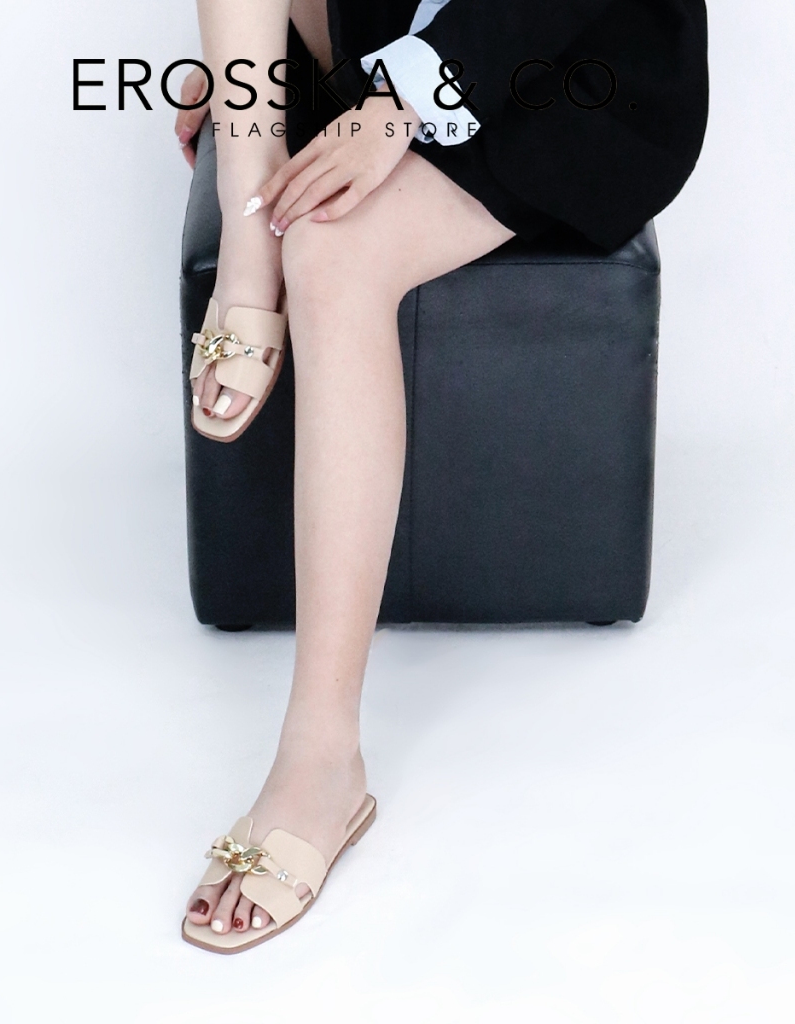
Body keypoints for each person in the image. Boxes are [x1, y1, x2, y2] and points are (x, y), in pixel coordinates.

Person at [176, 0, 708, 953]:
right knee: (277, 181)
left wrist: (401, 107)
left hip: (566, 69)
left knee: (332, 248)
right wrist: (253, 88)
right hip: (386, 39)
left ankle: (321, 759)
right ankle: (249, 236)